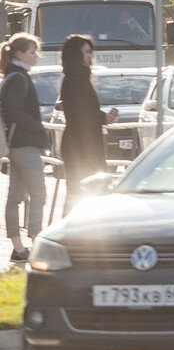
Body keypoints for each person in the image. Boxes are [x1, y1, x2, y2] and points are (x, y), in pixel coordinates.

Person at [0, 34, 48, 263]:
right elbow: (15, 111)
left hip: (16, 145)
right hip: (25, 143)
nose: (35, 56)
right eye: (32, 52)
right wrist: (39, 128)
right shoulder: (19, 78)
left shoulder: (13, 75)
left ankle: (18, 248)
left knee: (15, 196)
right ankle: (36, 239)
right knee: (38, 193)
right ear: (20, 54)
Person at [56, 34, 114, 212]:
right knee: (80, 190)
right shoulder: (74, 80)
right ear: (76, 54)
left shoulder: (80, 78)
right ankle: (72, 231)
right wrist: (102, 118)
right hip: (80, 145)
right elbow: (81, 113)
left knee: (84, 190)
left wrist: (102, 117)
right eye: (87, 52)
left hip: (85, 143)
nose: (91, 56)